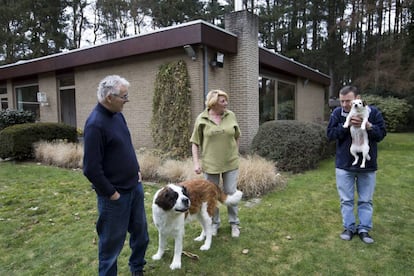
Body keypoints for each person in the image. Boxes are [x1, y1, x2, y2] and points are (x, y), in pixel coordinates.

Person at [83, 75, 149, 276]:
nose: (127, 100)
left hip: (134, 188)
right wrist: (112, 194)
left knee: (141, 235)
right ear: (109, 97)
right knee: (111, 246)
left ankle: (137, 269)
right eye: (124, 96)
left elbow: (126, 145)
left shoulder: (118, 115)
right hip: (115, 197)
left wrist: (136, 169)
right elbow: (91, 168)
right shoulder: (95, 124)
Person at [327, 85, 386, 244]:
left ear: (358, 98)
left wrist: (368, 126)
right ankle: (349, 227)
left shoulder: (372, 113)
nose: (345, 104)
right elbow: (330, 134)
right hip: (344, 164)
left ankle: (364, 229)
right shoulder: (337, 113)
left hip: (367, 165)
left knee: (365, 200)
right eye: (342, 101)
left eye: (348, 101)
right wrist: (346, 127)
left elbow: (381, 134)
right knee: (346, 200)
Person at [190, 89, 241, 238]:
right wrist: (196, 162)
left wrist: (235, 153)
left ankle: (234, 224)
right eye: (223, 101)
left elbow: (237, 136)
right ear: (213, 103)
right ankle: (214, 224)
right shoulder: (202, 118)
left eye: (226, 100)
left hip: (230, 163)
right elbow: (195, 143)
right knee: (211, 195)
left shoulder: (231, 115)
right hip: (210, 165)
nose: (226, 103)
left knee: (231, 192)